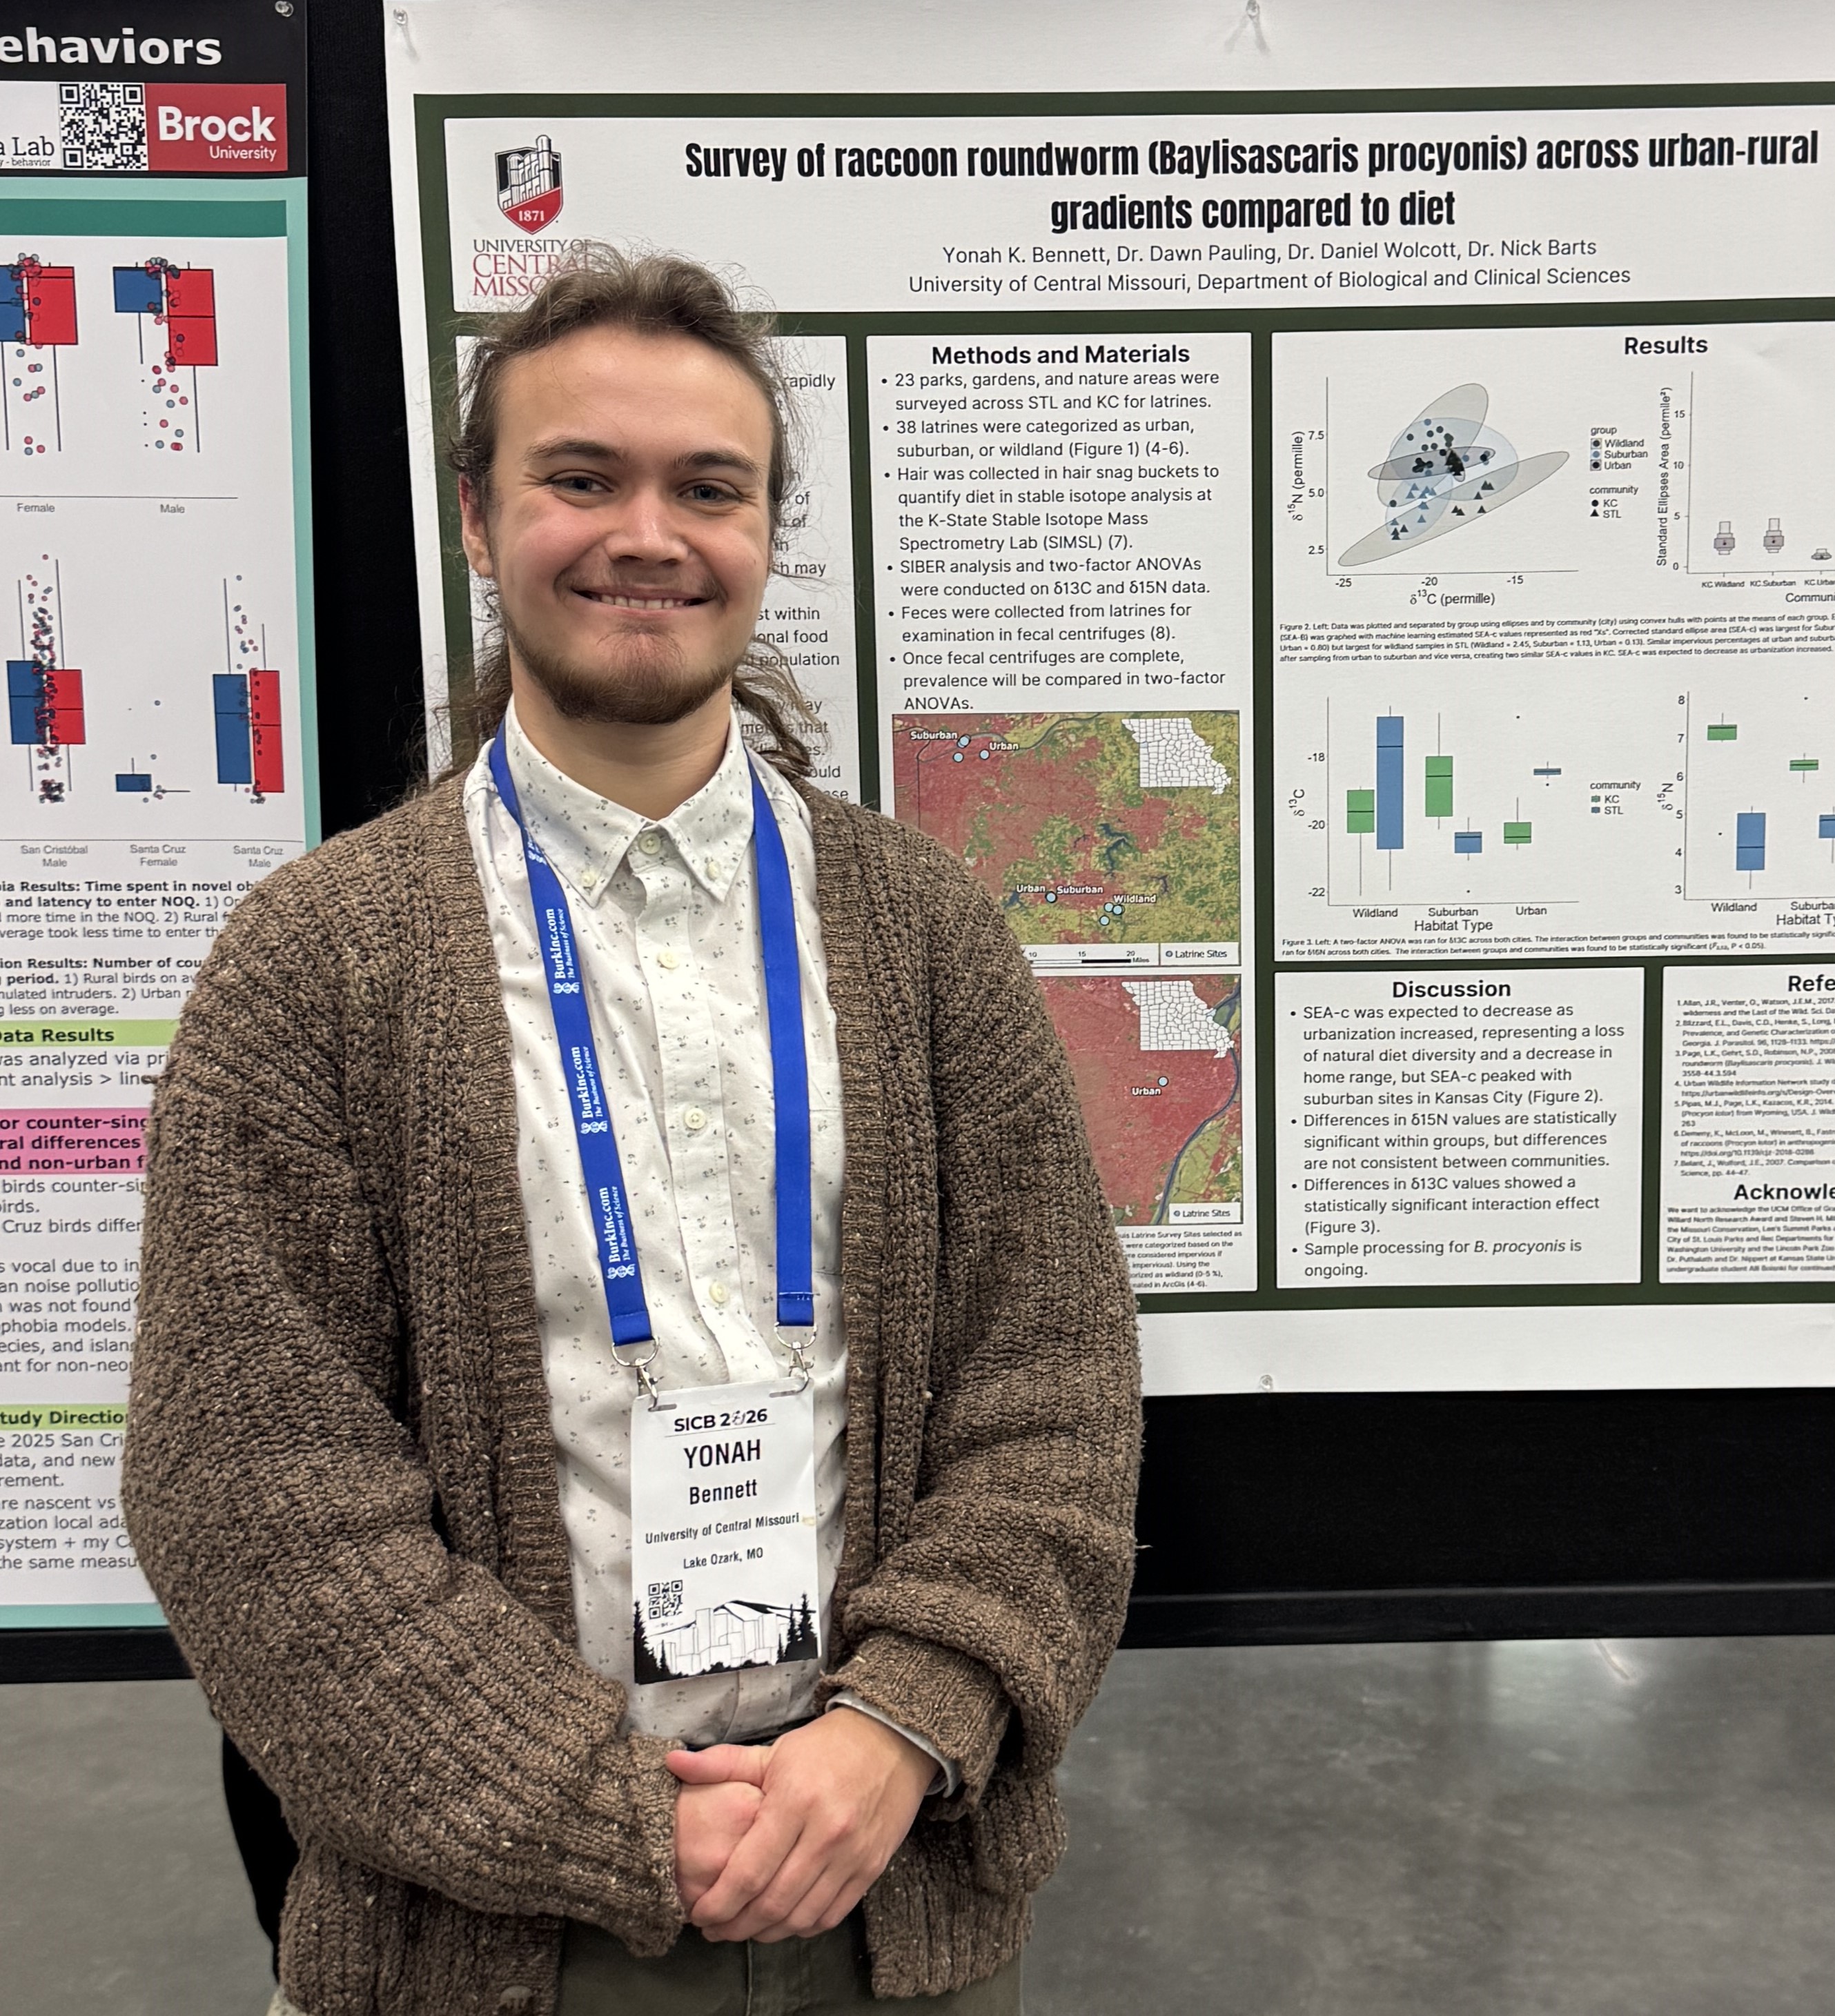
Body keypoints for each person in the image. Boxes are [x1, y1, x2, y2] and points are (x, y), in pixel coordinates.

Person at [121, 248, 1142, 2015]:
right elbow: (247, 1490)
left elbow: (1050, 1382)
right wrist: (602, 1818)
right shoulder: (317, 962)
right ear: (476, 517)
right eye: (580, 478)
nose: (645, 534)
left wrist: (903, 1723)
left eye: (707, 488)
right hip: (485, 1932)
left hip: (880, 1897)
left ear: (766, 534)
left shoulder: (920, 930)